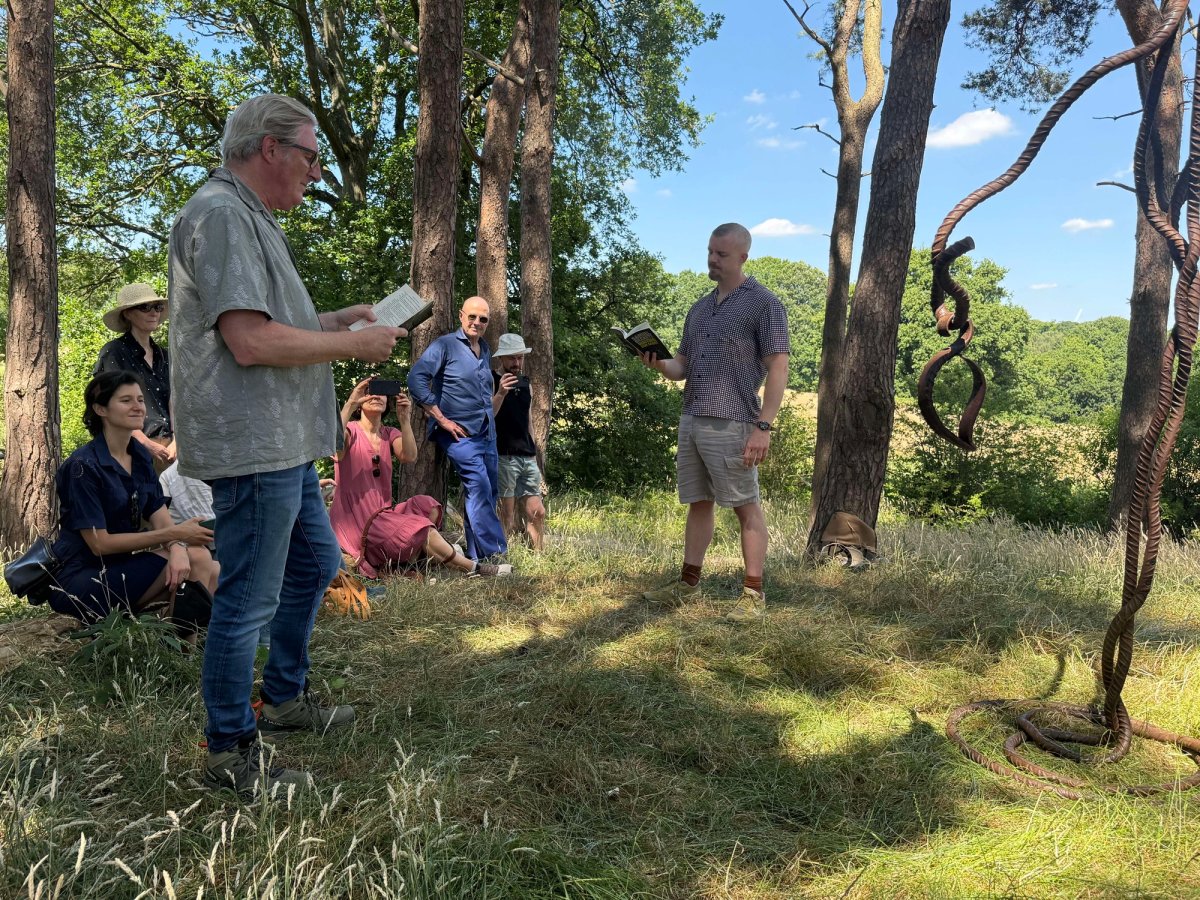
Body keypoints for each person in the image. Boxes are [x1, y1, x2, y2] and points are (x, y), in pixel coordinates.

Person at [169, 93, 406, 797]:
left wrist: (342, 318)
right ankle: (228, 753)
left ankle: (285, 699)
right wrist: (355, 343)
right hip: (254, 445)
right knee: (246, 599)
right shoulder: (219, 215)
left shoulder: (251, 218)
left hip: (285, 442)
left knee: (315, 563)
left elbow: (271, 323)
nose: (317, 169)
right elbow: (250, 341)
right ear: (270, 148)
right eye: (310, 154)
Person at [640, 223, 791, 624]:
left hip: (735, 420)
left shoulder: (764, 304)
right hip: (692, 417)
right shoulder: (700, 308)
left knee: (745, 506)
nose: (712, 259)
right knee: (698, 503)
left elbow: (778, 366)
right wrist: (657, 362)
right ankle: (688, 583)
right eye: (710, 251)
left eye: (721, 254)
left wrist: (764, 427)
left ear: (742, 257)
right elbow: (682, 367)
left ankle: (753, 593)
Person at [50, 371, 218, 625]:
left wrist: (176, 546)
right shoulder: (83, 467)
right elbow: (100, 544)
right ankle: (184, 650)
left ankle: (187, 647)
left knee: (210, 567)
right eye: (126, 400)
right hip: (83, 578)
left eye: (140, 400)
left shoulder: (138, 455)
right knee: (200, 559)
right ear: (100, 409)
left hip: (122, 569)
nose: (138, 407)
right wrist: (176, 536)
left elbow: (158, 512)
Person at [330, 378, 512, 576]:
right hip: (357, 521)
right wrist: (350, 402)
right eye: (369, 391)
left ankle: (426, 557)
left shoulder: (388, 433)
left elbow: (409, 456)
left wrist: (405, 419)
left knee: (427, 505)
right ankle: (473, 568)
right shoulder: (349, 430)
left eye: (381, 392)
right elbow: (335, 447)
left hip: (382, 514)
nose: (376, 396)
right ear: (360, 401)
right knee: (420, 528)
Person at [407, 297, 508, 561]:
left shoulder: (484, 349)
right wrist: (440, 419)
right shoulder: (445, 345)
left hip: (487, 432)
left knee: (488, 491)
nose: (477, 323)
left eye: (483, 319)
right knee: (479, 487)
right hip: (458, 433)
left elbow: (485, 394)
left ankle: (477, 557)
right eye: (472, 317)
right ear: (461, 316)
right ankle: (495, 554)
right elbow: (416, 379)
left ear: (488, 322)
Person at [94, 284, 175, 473]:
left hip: (171, 449)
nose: (153, 312)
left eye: (157, 307)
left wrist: (177, 440)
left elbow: (175, 400)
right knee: (136, 502)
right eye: (145, 307)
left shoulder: (166, 355)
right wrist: (145, 443)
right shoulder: (113, 352)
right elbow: (110, 406)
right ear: (127, 314)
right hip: (129, 446)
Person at [490, 333, 546, 550]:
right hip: (503, 455)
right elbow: (487, 415)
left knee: (537, 511)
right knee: (507, 514)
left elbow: (528, 420)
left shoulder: (526, 385)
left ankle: (539, 558)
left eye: (520, 358)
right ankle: (502, 557)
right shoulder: (491, 380)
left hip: (526, 456)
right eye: (512, 358)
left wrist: (533, 454)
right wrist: (501, 392)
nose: (517, 363)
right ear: (501, 358)